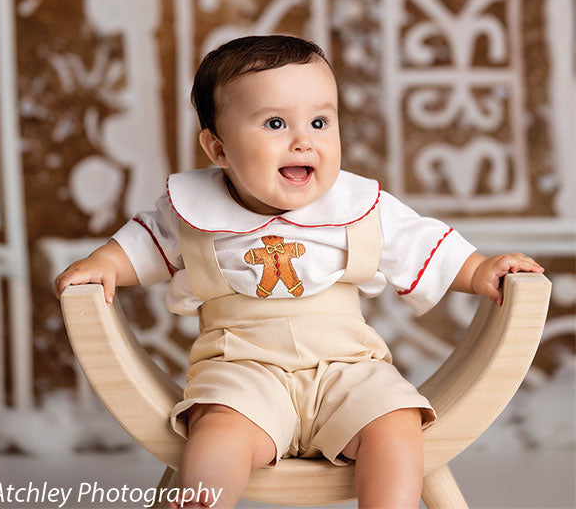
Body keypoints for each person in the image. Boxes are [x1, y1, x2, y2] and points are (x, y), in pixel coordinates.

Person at [55, 35, 544, 509]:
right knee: (217, 433)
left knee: (396, 423)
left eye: (319, 121)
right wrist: (104, 264)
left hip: (350, 368)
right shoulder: (190, 209)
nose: (302, 141)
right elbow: (141, 244)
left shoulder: (358, 206)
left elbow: (424, 246)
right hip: (241, 371)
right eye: (273, 123)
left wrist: (480, 269)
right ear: (218, 148)